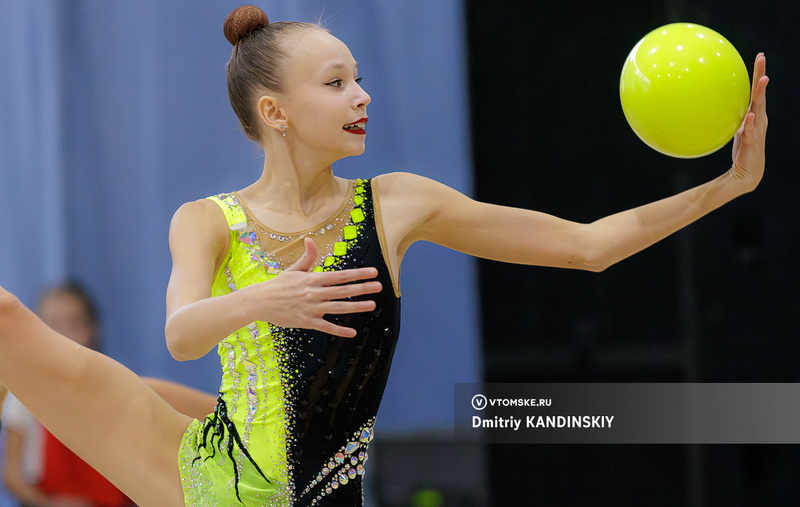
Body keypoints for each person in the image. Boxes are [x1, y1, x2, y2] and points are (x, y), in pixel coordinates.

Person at [0, 4, 769, 507]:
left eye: (359, 78)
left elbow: (589, 246)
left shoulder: (397, 203)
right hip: (209, 483)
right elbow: (185, 331)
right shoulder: (207, 221)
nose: (362, 95)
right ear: (276, 112)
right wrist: (260, 299)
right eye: (336, 82)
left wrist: (728, 187)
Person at [2, 283, 133, 507]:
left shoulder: (120, 389)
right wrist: (50, 503)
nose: (64, 334)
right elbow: (12, 476)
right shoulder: (24, 395)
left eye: (75, 323)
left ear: (93, 328)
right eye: (53, 324)